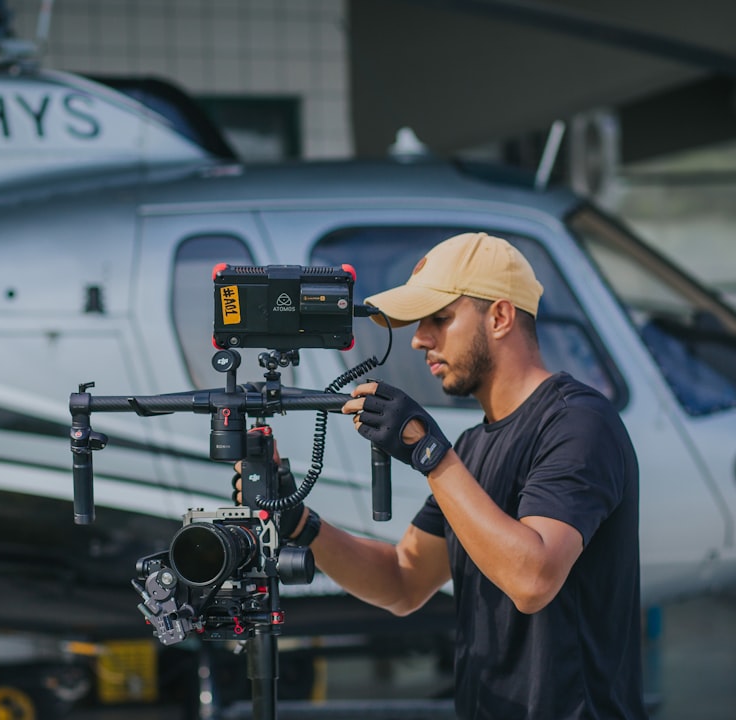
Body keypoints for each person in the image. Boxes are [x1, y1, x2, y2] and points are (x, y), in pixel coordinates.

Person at [263, 232, 647, 719]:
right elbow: (403, 581)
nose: (421, 338)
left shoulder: (578, 422)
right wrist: (300, 523)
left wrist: (428, 452)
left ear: (501, 317)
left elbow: (533, 579)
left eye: (440, 319)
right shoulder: (471, 447)